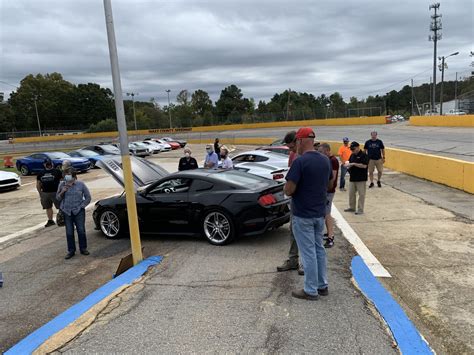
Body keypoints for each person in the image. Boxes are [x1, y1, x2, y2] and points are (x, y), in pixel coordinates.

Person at [284, 127, 332, 301]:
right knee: (319, 249)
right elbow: (328, 184)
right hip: (319, 213)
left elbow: (289, 190)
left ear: (301, 141)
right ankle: (322, 285)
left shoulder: (300, 162)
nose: (295, 144)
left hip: (303, 214)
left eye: (296, 141)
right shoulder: (325, 160)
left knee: (308, 252)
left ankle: (310, 289)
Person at [277, 130, 303, 275]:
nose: (290, 150)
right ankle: (293, 260)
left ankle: (304, 263)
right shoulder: (293, 155)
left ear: (298, 141)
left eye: (292, 147)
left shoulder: (306, 156)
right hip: (294, 199)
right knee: (293, 231)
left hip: (305, 202)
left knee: (305, 234)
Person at [56, 169, 92, 259]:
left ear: (73, 175)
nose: (66, 176)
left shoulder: (80, 184)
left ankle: (83, 248)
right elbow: (58, 198)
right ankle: (71, 250)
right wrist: (63, 191)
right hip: (67, 211)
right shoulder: (62, 184)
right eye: (65, 174)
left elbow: (88, 197)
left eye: (68, 174)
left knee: (81, 230)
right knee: (69, 232)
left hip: (78, 211)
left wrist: (82, 206)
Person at [318, 143, 339, 248]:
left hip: (329, 191)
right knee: (325, 213)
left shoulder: (333, 160)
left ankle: (331, 236)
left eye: (321, 152)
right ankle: (329, 233)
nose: (320, 154)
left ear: (327, 150)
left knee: (327, 214)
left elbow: (333, 177)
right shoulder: (327, 160)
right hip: (326, 190)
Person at [36, 158, 63, 227]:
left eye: (49, 163)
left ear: (52, 163)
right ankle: (50, 220)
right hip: (45, 193)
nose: (48, 165)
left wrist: (62, 191)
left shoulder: (57, 171)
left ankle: (63, 219)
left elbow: (62, 181)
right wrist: (40, 193)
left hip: (56, 192)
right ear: (44, 164)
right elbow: (38, 183)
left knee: (61, 207)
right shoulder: (40, 173)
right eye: (47, 164)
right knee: (48, 207)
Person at [344, 142, 369, 215]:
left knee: (361, 194)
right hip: (353, 177)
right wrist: (347, 165)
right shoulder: (352, 155)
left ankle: (360, 209)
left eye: (353, 149)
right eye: (351, 149)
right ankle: (352, 207)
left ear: (358, 147)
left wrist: (354, 164)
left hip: (361, 178)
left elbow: (364, 166)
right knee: (351, 194)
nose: (352, 150)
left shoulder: (364, 155)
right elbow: (350, 162)